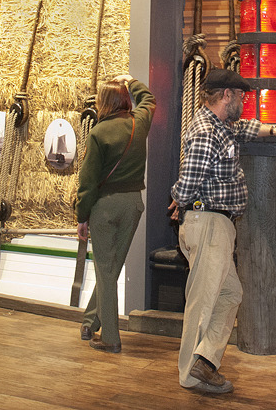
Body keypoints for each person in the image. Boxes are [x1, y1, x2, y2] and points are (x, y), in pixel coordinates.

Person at [168, 69, 276, 394]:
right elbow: (187, 184)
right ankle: (190, 374)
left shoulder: (221, 126)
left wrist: (274, 129)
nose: (244, 101)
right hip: (208, 225)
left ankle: (205, 360)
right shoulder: (204, 131)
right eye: (241, 96)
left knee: (230, 295)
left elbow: (243, 128)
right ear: (226, 95)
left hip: (218, 225)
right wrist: (178, 199)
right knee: (203, 302)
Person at [75, 74, 156, 353]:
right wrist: (132, 80)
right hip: (133, 204)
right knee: (111, 269)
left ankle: (110, 337)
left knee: (105, 271)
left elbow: (87, 182)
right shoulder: (139, 123)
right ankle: (90, 320)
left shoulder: (98, 133)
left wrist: (81, 217)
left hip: (105, 207)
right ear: (124, 100)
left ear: (103, 103)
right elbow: (149, 99)